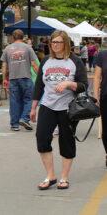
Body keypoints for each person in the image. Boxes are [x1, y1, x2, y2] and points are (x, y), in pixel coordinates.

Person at [30, 30, 87, 190]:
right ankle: (50, 175)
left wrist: (69, 84)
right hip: (47, 106)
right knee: (42, 139)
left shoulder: (75, 61)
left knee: (66, 142)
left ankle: (64, 177)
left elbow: (83, 85)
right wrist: (34, 107)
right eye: (53, 42)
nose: (55, 45)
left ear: (66, 43)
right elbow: (39, 85)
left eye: (58, 42)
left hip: (68, 108)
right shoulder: (46, 60)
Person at [1, 29, 39, 131]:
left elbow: (4, 66)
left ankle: (14, 124)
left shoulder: (7, 49)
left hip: (13, 79)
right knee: (29, 99)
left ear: (13, 37)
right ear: (23, 37)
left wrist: (4, 78)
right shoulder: (28, 48)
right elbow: (34, 64)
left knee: (14, 101)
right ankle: (24, 119)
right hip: (26, 77)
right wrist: (40, 76)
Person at [93, 49, 107, 167]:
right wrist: (96, 96)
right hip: (106, 97)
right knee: (106, 131)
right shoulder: (102, 55)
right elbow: (97, 77)